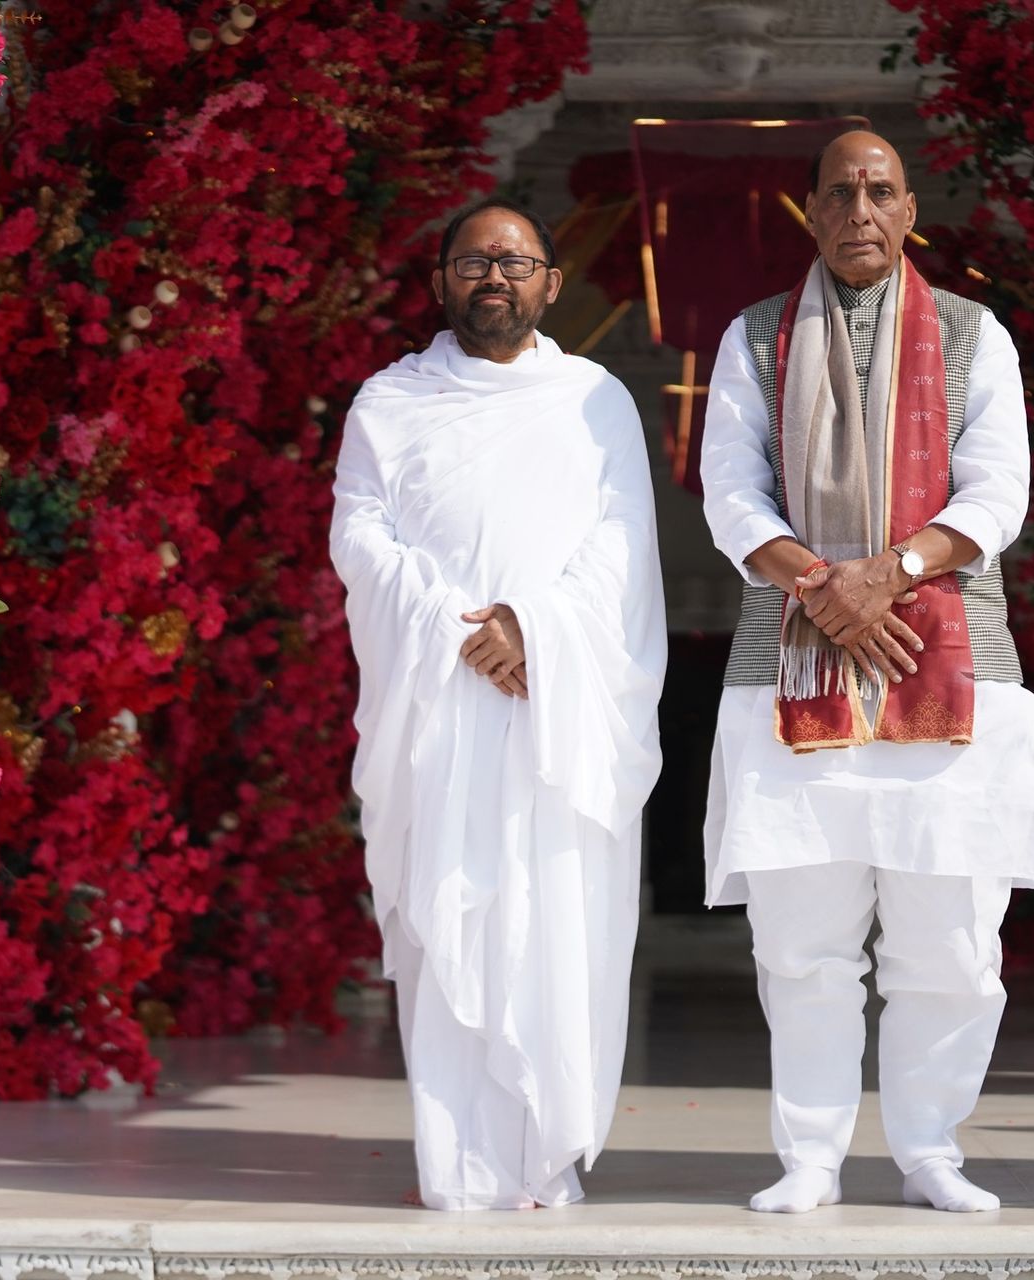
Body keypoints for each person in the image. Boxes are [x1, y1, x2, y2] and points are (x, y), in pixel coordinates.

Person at [699, 130, 1034, 1214]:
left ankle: (929, 1149)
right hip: (793, 661)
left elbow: (997, 494)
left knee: (949, 941)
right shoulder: (754, 336)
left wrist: (885, 575)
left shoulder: (974, 334)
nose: (860, 209)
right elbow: (730, 494)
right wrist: (825, 587)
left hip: (949, 665)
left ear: (909, 212)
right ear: (811, 210)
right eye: (841, 192)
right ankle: (810, 1156)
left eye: (880, 191)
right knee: (801, 943)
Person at [331, 197, 666, 1211]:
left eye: (516, 263)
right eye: (475, 261)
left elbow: (623, 541)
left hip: (557, 711)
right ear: (441, 280)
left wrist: (533, 627)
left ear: (551, 284)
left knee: (551, 920)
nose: (494, 278)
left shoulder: (594, 400)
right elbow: (360, 534)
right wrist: (452, 627)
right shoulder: (390, 401)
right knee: (451, 921)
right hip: (437, 705)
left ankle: (543, 1156)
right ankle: (459, 1166)